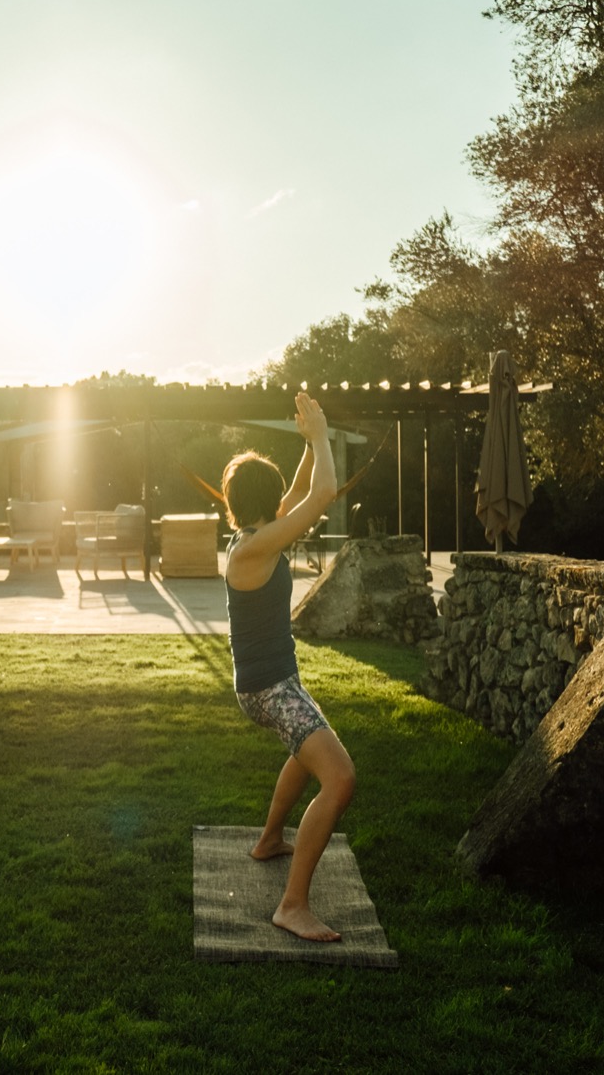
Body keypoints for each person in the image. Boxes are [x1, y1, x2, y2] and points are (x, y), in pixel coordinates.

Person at [220, 391, 355, 942]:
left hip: (273, 682)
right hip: (269, 689)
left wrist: (307, 442)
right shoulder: (253, 550)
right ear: (266, 500)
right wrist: (322, 437)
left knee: (306, 754)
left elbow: (302, 489)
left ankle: (270, 839)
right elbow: (323, 492)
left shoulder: (253, 537)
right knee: (341, 778)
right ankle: (292, 905)